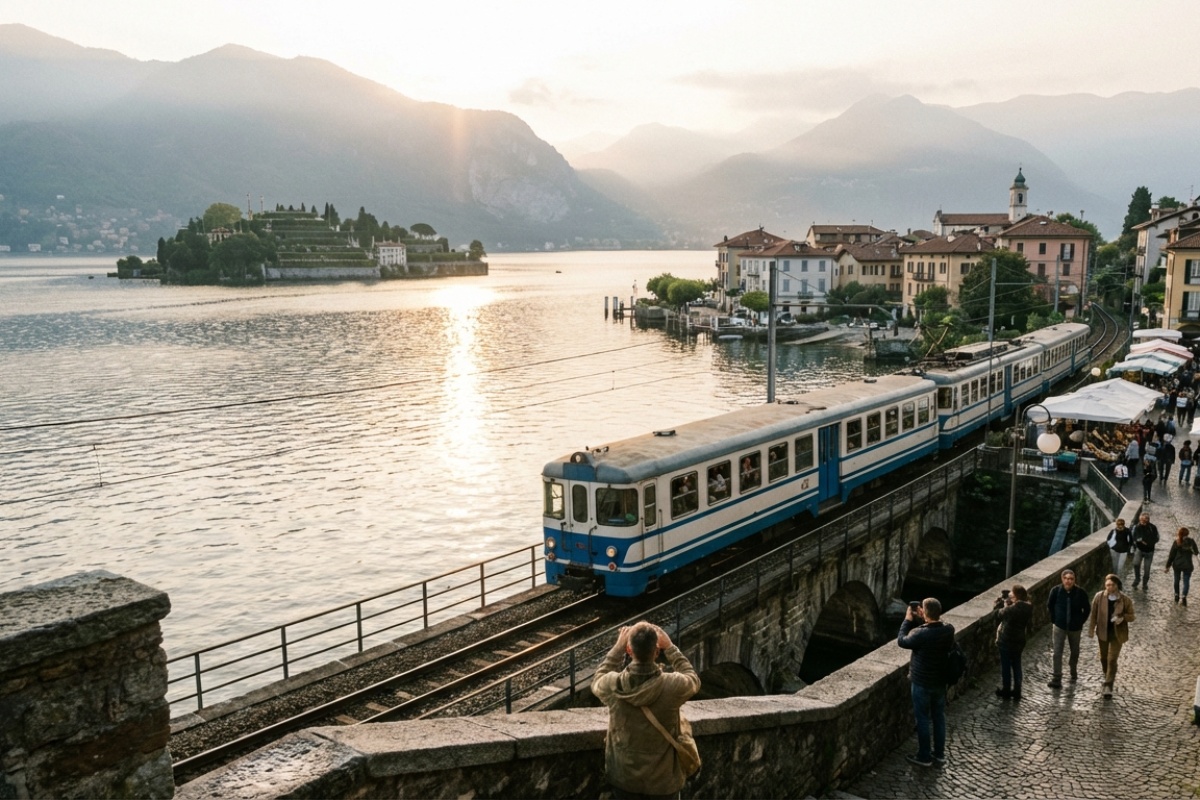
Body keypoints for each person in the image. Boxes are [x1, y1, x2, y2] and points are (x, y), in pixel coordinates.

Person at [594, 622, 700, 799]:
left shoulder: (613, 685)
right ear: (656, 652)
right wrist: (670, 647)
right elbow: (693, 679)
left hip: (625, 779)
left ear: (629, 650)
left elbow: (598, 678)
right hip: (663, 782)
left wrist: (618, 648)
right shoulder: (672, 686)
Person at [897, 597, 955, 768]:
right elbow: (935, 625)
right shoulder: (948, 630)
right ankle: (939, 754)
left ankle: (924, 756)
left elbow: (902, 641)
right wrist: (926, 617)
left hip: (922, 682)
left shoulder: (921, 633)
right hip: (939, 682)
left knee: (922, 718)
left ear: (924, 612)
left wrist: (908, 620)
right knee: (938, 717)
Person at [1088, 573, 1135, 699]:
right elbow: (1093, 614)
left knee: (1112, 659)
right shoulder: (1099, 597)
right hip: (1103, 632)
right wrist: (1091, 629)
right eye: (1107, 585)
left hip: (1117, 634)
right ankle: (1107, 673)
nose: (1109, 587)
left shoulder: (1125, 600)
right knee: (1103, 658)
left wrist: (1122, 617)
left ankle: (1108, 684)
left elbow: (1132, 616)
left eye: (1112, 585)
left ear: (1117, 585)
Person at [1045, 569, 1090, 688]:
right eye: (1066, 578)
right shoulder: (1055, 591)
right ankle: (1056, 677)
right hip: (1060, 626)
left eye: (1071, 579)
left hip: (1075, 628)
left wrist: (1080, 621)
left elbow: (1087, 609)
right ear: (1062, 579)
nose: (1068, 581)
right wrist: (1055, 620)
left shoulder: (1081, 593)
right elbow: (1050, 606)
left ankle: (1073, 669)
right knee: (1057, 652)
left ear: (1074, 580)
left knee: (1075, 651)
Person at [993, 584, 1033, 700]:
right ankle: (1017, 690)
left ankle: (1006, 689)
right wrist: (1010, 603)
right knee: (1016, 665)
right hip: (1020, 640)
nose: (1009, 595)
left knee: (1006, 666)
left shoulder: (1013, 608)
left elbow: (998, 614)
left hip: (1007, 640)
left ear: (1016, 596)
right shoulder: (1028, 607)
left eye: (1012, 594)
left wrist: (998, 605)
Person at [1163, 526, 1199, 605]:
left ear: (1179, 534)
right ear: (1188, 533)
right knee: (1186, 581)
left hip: (1177, 564)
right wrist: (1191, 548)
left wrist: (1167, 566)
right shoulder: (1191, 541)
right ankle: (1184, 597)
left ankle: (1176, 595)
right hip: (1188, 565)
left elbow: (1171, 555)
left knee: (1176, 580)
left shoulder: (1176, 542)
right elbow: (1196, 552)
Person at [1131, 512, 1160, 591]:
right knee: (1136, 563)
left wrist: (1149, 543)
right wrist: (1140, 540)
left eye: (1144, 521)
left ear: (1148, 520)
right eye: (1141, 520)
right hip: (1139, 549)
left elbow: (1157, 538)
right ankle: (1137, 579)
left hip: (1149, 551)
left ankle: (1145, 583)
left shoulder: (1153, 527)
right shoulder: (1136, 527)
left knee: (1147, 569)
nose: (1142, 522)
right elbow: (1133, 537)